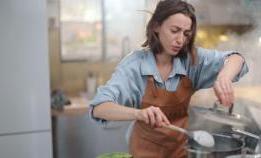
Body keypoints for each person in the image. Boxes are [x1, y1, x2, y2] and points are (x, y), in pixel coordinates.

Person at [89, 0, 248, 157]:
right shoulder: (134, 65)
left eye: (186, 34)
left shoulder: (191, 60)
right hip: (144, 152)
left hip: (180, 152)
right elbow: (99, 108)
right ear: (156, 26)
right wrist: (138, 113)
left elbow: (236, 59)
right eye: (174, 30)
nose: (180, 40)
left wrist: (224, 77)